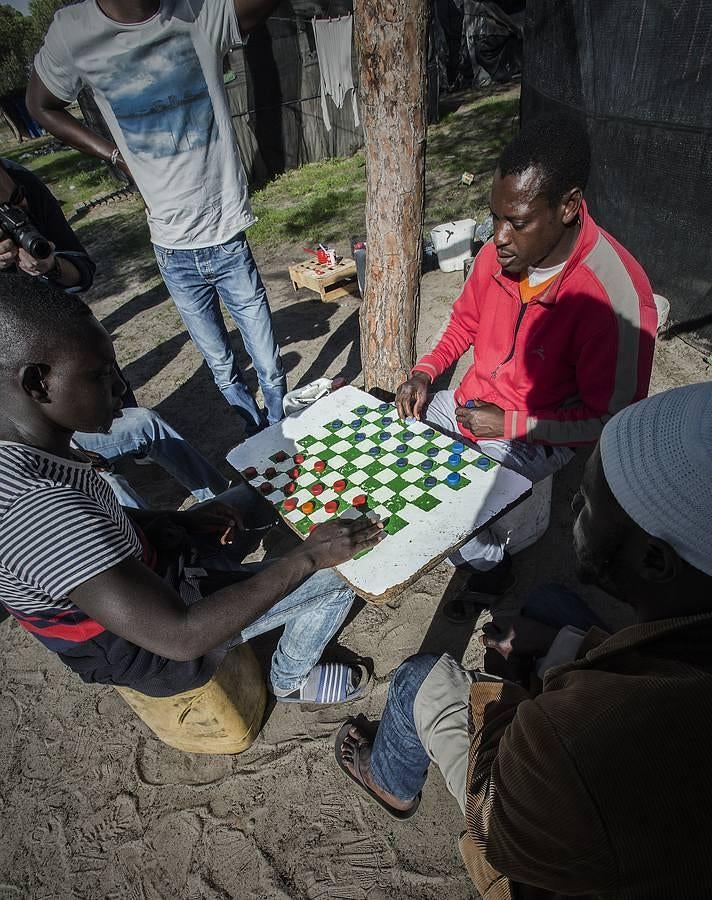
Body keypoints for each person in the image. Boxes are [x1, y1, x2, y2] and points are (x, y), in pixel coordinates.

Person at [335, 381, 712, 898]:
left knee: (417, 678)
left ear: (654, 560)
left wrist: (513, 685)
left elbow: (495, 817)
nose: (574, 502)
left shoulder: (576, 742)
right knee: (553, 607)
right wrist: (571, 645)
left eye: (593, 499)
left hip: (526, 847)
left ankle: (391, 783)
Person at [0, 274, 384, 701]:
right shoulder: (38, 510)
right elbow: (180, 636)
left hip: (155, 565)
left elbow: (101, 519)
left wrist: (177, 519)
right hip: (153, 646)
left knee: (260, 493)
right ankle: (290, 679)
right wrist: (310, 555)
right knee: (345, 574)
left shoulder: (33, 445)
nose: (121, 387)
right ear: (37, 383)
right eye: (101, 375)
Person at [396, 114, 657, 612]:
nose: (498, 238)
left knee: (448, 513)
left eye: (516, 221)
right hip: (471, 403)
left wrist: (511, 423)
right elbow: (463, 324)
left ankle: (494, 564)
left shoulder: (615, 297)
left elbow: (609, 425)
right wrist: (427, 372)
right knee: (394, 433)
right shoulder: (500, 253)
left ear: (568, 206)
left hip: (536, 435)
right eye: (494, 217)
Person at [27, 0, 287, 436]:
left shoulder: (198, 11)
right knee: (221, 365)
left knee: (267, 361)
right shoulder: (73, 31)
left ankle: (282, 436)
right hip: (173, 251)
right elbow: (42, 105)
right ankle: (256, 437)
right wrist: (113, 154)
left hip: (227, 238)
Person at [0, 156, 229, 507]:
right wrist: (71, 456)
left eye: (16, 200)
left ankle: (233, 503)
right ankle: (155, 557)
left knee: (143, 422)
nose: (21, 210)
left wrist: (52, 266)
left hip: (59, 427)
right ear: (35, 382)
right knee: (109, 486)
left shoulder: (22, 180)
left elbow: (81, 269)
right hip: (31, 454)